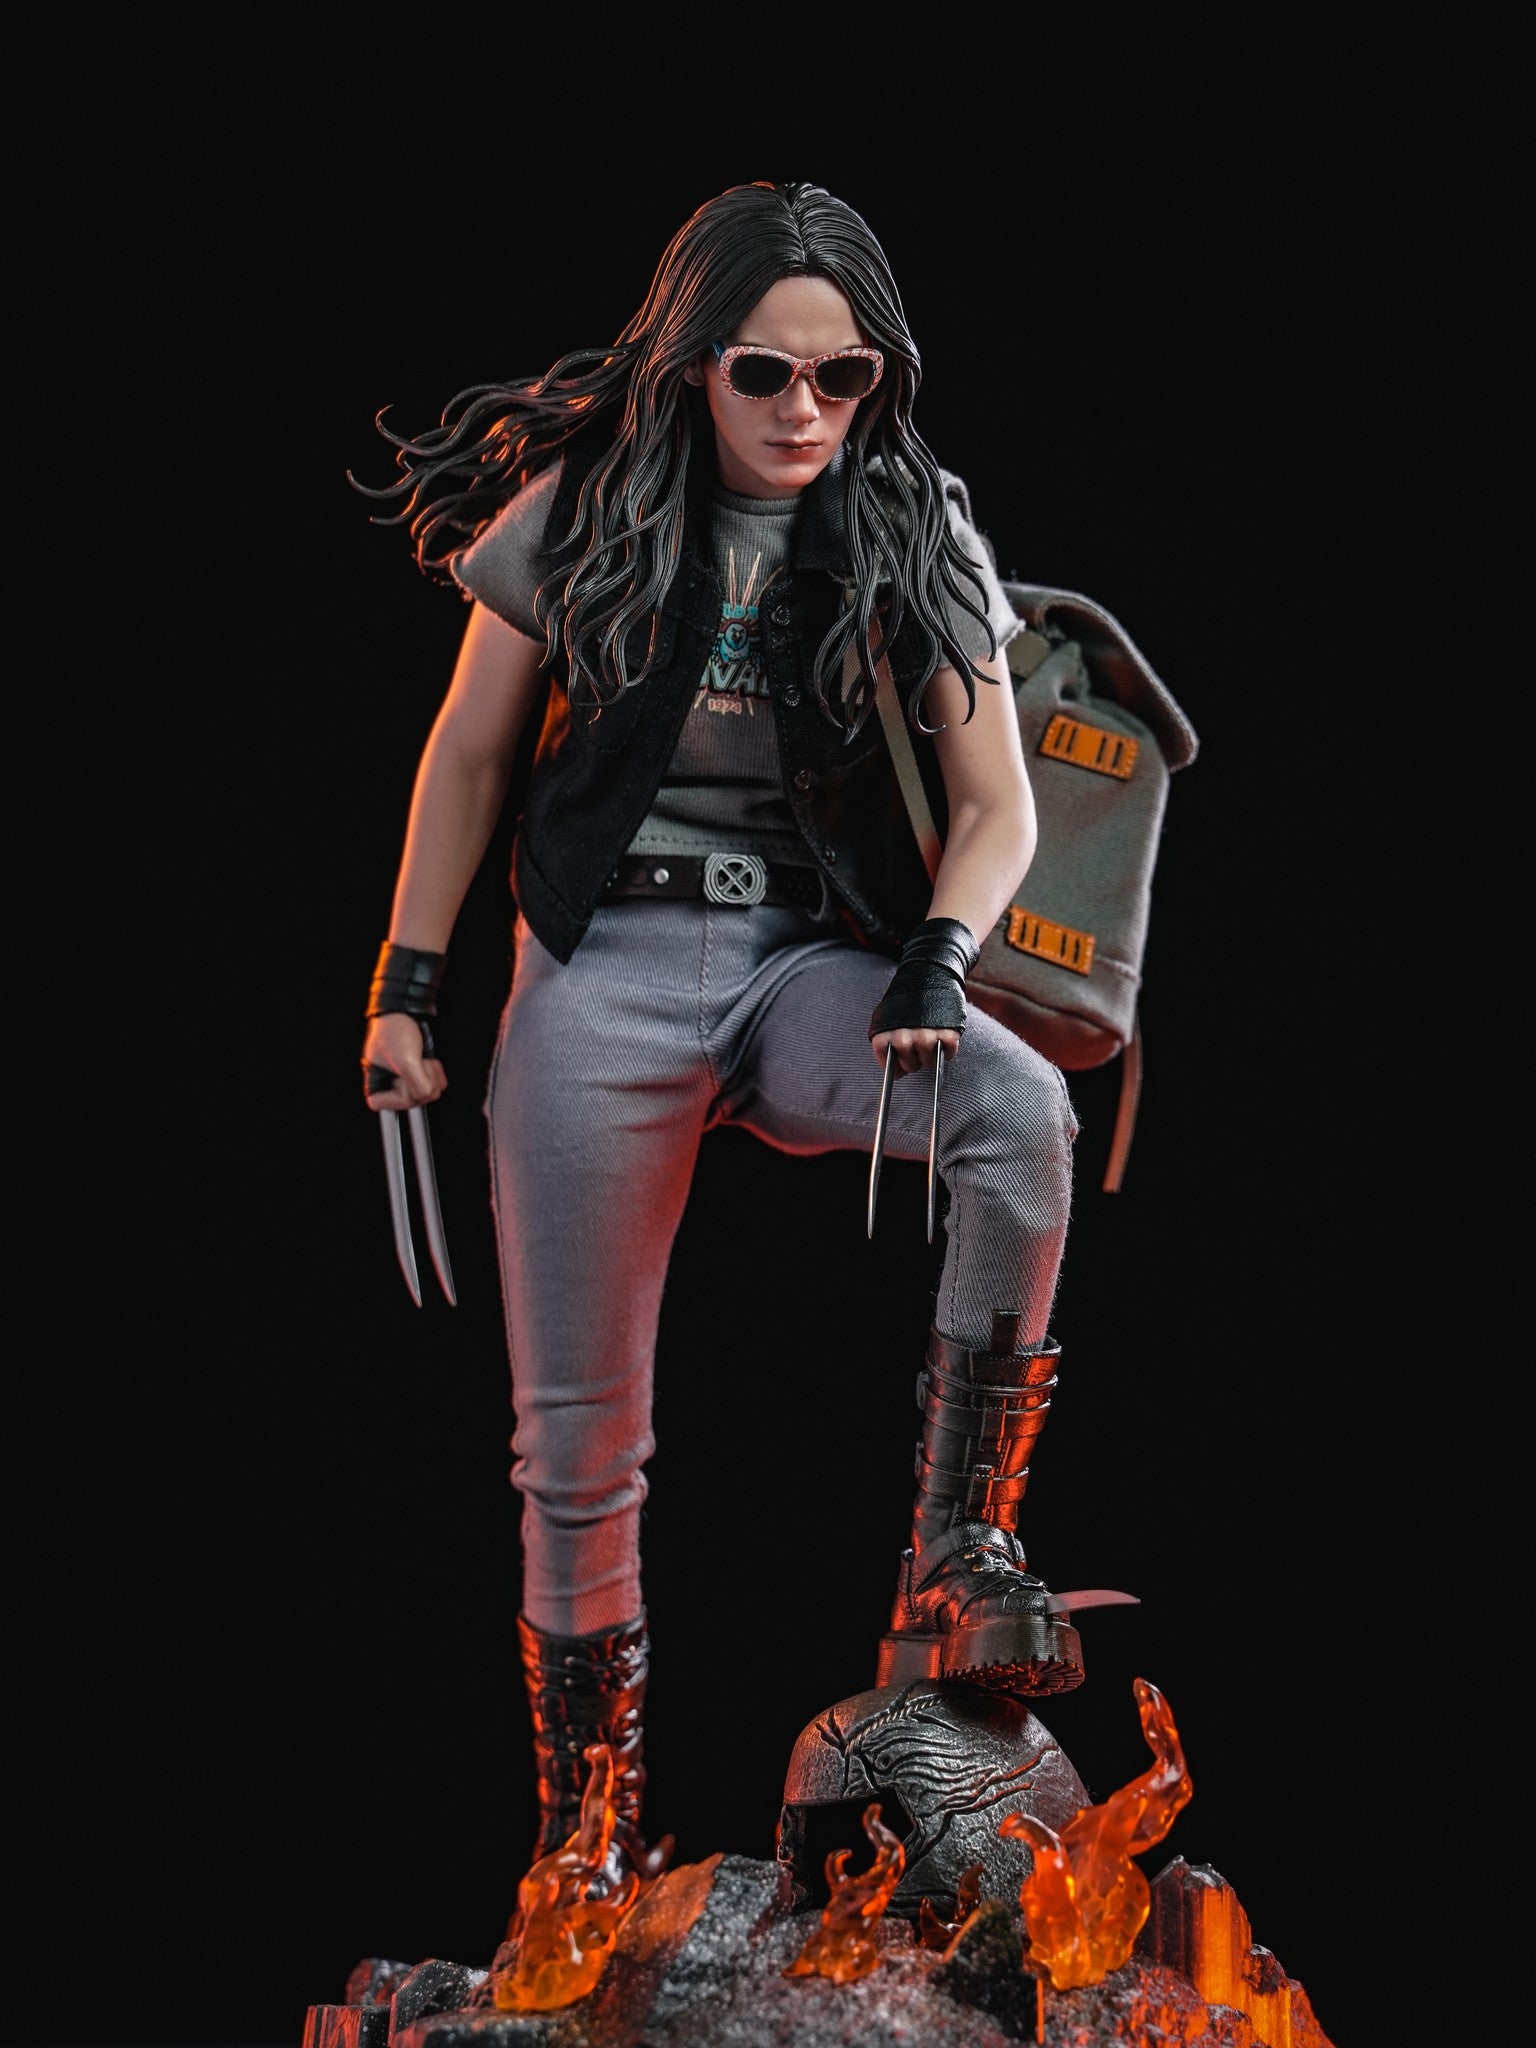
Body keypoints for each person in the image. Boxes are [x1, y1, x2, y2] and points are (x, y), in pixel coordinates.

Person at [354, 179, 1085, 1895]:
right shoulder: (590, 504)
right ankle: (585, 1838)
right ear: (695, 361)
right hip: (600, 970)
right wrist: (406, 987)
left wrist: (938, 963)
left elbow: (998, 803)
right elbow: (471, 753)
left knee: (1019, 1116)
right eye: (765, 372)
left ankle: (962, 1545)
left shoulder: (912, 523)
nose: (804, 412)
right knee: (576, 1442)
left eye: (843, 379)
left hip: (803, 962)